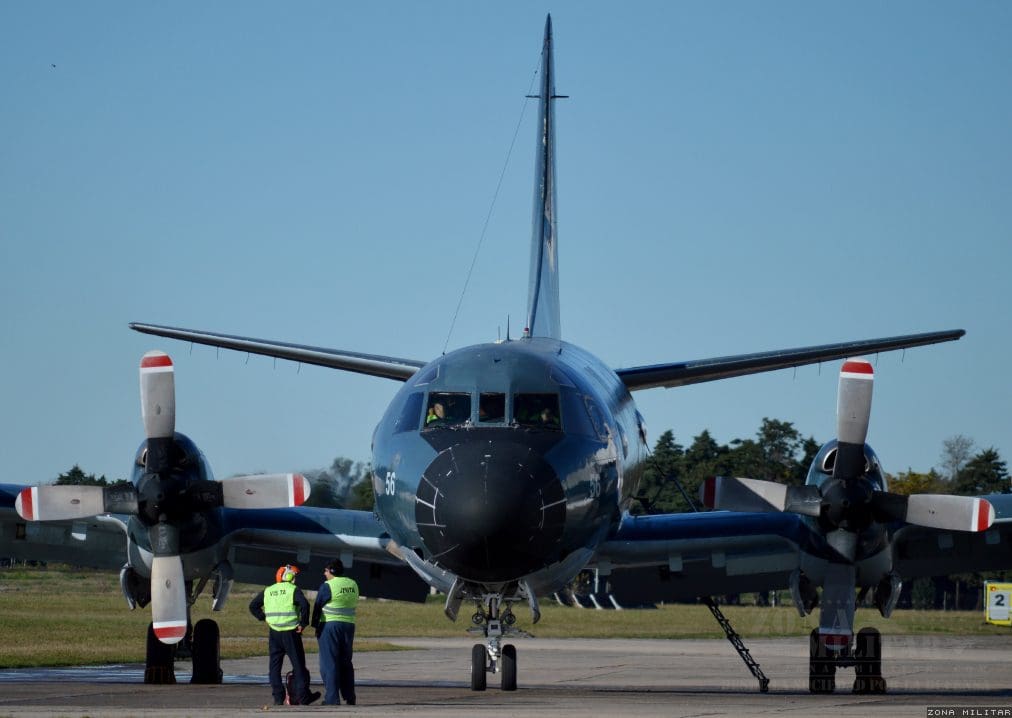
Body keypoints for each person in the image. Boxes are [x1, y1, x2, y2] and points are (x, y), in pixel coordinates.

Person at [249, 565, 320, 706]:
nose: (295, 578)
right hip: (291, 633)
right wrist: (303, 623)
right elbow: (305, 605)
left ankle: (278, 697)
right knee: (299, 666)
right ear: (288, 576)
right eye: (294, 575)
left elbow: (253, 606)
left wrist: (263, 618)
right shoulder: (292, 589)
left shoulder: (268, 590)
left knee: (274, 667)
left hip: (274, 632)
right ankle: (303, 697)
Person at [312, 559, 360, 706]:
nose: (324, 573)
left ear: (331, 571)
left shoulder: (328, 586)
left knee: (329, 662)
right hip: (349, 625)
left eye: (326, 570)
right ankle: (350, 697)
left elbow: (318, 605)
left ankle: (332, 698)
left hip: (330, 626)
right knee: (345, 662)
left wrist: (315, 626)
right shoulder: (353, 584)